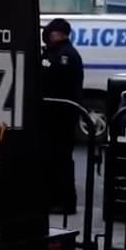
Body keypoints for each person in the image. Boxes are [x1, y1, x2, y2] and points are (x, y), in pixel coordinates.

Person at [41, 17, 84, 214]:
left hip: (59, 118)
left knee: (60, 159)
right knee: (53, 159)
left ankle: (64, 202)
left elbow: (54, 84)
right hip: (55, 117)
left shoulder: (64, 56)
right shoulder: (58, 53)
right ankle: (53, 199)